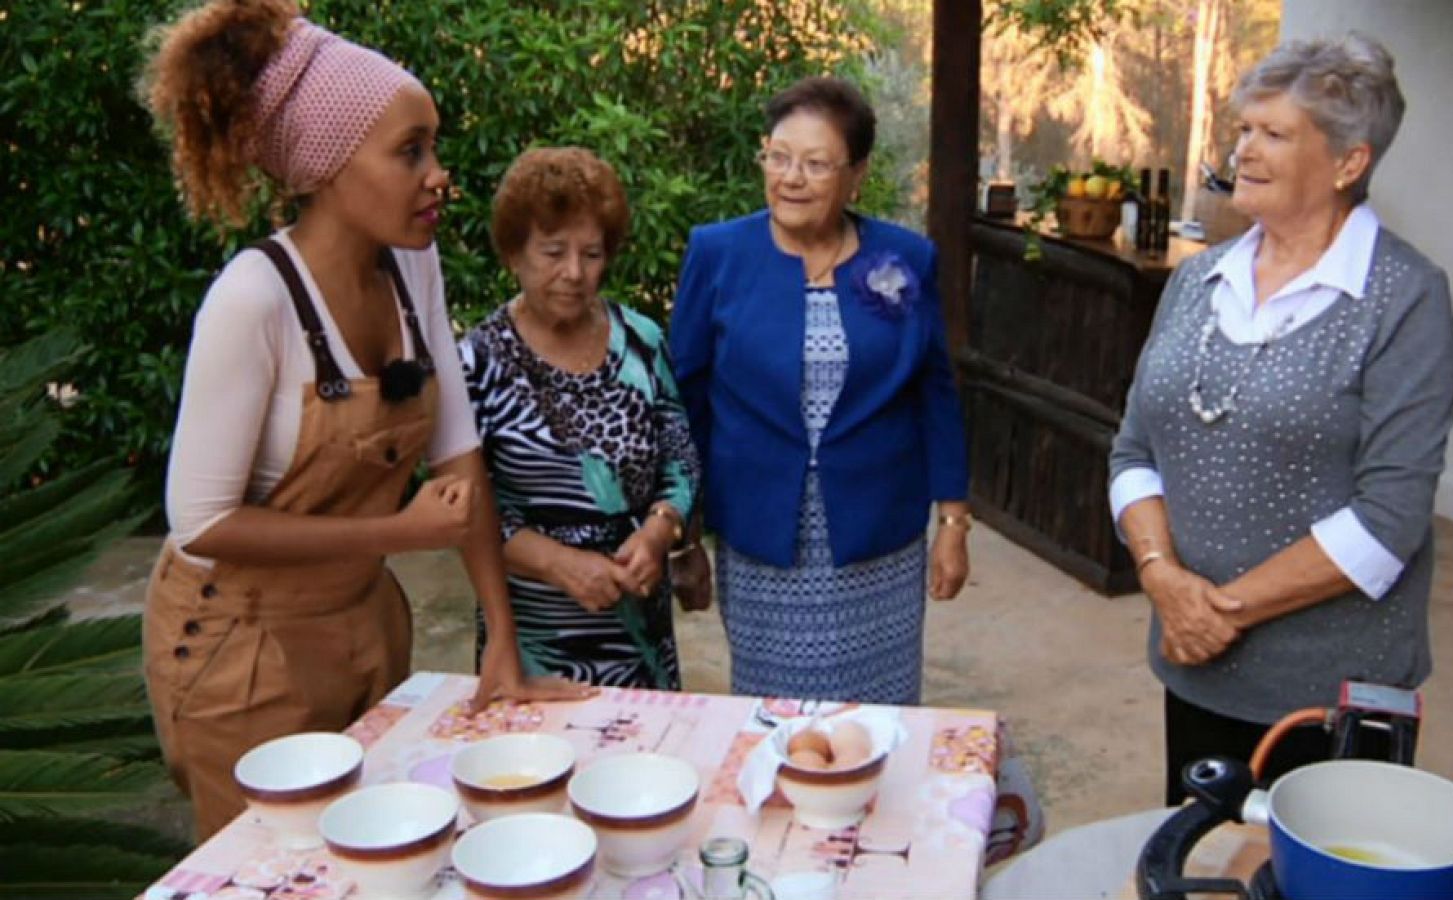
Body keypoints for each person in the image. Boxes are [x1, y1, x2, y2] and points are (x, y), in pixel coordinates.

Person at [140, 0, 590, 839]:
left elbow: (460, 464)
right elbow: (200, 521)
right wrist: (400, 533)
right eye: (409, 151)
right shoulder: (254, 298)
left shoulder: (412, 271)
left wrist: (501, 643)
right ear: (328, 162)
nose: (437, 174)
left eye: (434, 147)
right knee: (277, 868)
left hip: (365, 628)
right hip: (238, 650)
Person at [1109, 34, 1453, 804]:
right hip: (1195, 666)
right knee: (1204, 864)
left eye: (1274, 134)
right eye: (1243, 130)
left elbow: (1389, 519)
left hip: (1329, 690)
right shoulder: (1200, 278)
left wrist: (1215, 611)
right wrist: (1163, 578)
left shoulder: (1404, 297)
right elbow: (1133, 450)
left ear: (1348, 163)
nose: (1245, 150)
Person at [670, 76, 971, 705]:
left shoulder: (903, 259)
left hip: (878, 536)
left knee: (878, 719)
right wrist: (685, 528)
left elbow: (934, 390)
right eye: (778, 157)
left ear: (856, 174)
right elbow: (686, 399)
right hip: (761, 532)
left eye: (815, 163)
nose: (791, 178)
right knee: (772, 714)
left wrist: (953, 518)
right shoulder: (717, 253)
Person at [459, 147, 700, 690]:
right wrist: (556, 562)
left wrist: (660, 531)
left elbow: (680, 457)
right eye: (552, 252)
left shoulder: (641, 340)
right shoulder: (475, 362)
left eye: (591, 254)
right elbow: (462, 509)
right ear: (513, 253)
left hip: (641, 637)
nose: (574, 273)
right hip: (534, 641)